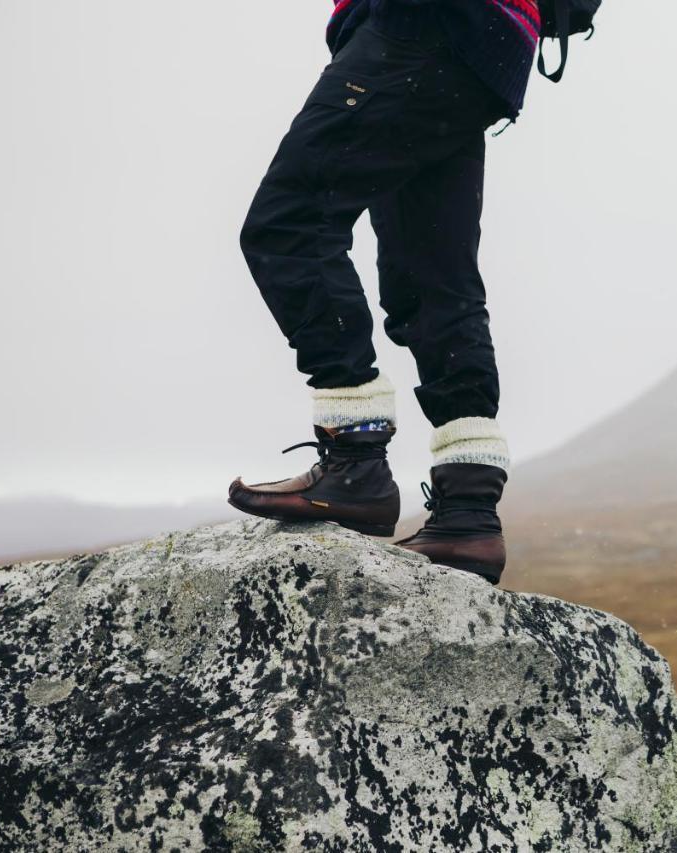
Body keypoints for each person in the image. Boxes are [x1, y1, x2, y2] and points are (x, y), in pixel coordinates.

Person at [227, 0, 545, 585]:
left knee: (289, 223)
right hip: (490, 49)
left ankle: (355, 459)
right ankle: (467, 512)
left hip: (419, 24)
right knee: (432, 279)